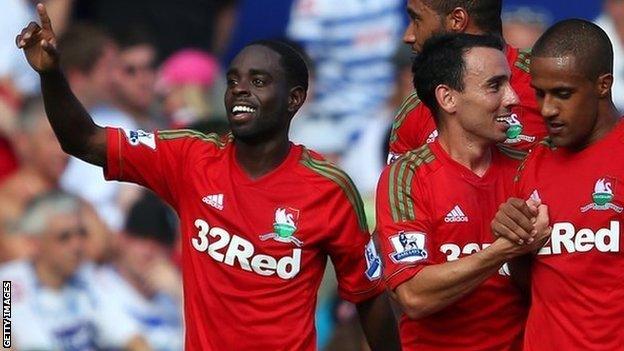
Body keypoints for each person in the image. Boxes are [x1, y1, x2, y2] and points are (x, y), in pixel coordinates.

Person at [16, 4, 400, 350]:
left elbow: (367, 295)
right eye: (233, 80)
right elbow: (83, 140)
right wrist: (50, 75)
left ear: (295, 99)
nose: (240, 91)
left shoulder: (329, 189)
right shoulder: (189, 157)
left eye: (259, 81)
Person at [375, 33, 550, 350]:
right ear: (448, 98)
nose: (512, 98)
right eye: (494, 86)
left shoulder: (531, 169)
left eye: (509, 83)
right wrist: (503, 250)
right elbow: (414, 295)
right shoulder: (407, 176)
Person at [491, 19, 624, 350]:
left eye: (563, 94)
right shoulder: (532, 165)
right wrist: (512, 239)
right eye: (540, 93)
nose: (547, 109)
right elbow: (526, 280)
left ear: (603, 85)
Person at [387, 0, 548, 163]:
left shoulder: (547, 82)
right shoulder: (415, 107)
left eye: (417, 19)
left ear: (457, 20)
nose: (408, 36)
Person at [0, 191, 149, 350]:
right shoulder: (8, 285)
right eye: (64, 237)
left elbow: (131, 337)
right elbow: (6, 342)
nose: (77, 246)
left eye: (81, 234)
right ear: (35, 242)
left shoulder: (88, 278)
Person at [92, 192, 183, 351]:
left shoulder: (173, 297)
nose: (149, 251)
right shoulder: (99, 286)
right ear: (121, 238)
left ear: (171, 251)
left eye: (159, 242)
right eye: (141, 238)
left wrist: (180, 294)